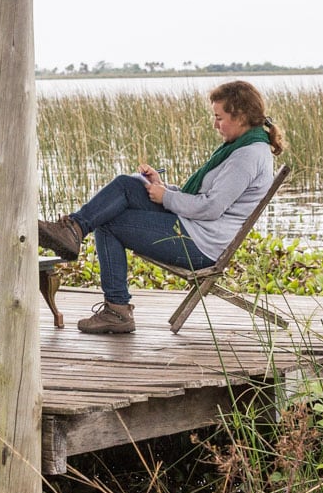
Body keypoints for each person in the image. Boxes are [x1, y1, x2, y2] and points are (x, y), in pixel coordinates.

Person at [37, 80, 287, 334]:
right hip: (194, 228)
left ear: (241, 115)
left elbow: (210, 207)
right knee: (128, 184)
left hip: (200, 244)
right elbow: (205, 197)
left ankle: (117, 310)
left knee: (108, 223)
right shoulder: (242, 146)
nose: (215, 125)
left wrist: (166, 197)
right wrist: (162, 187)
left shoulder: (247, 156)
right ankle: (74, 229)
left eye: (219, 117)